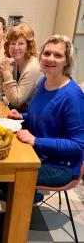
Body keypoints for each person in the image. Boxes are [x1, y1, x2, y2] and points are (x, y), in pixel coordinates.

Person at [8, 35, 84, 200]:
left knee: (7, 171)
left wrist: (36, 141)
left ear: (67, 62)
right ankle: (19, 197)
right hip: (40, 153)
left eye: (58, 55)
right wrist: (22, 115)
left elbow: (78, 144)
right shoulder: (44, 81)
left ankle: (23, 204)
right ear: (41, 56)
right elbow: (44, 116)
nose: (50, 59)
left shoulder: (72, 96)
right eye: (47, 53)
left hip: (61, 166)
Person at [0, 23, 42, 111]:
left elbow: (17, 102)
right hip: (19, 112)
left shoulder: (33, 66)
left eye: (21, 44)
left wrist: (7, 75)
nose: (16, 48)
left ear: (28, 46)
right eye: (12, 43)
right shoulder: (14, 62)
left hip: (30, 116)